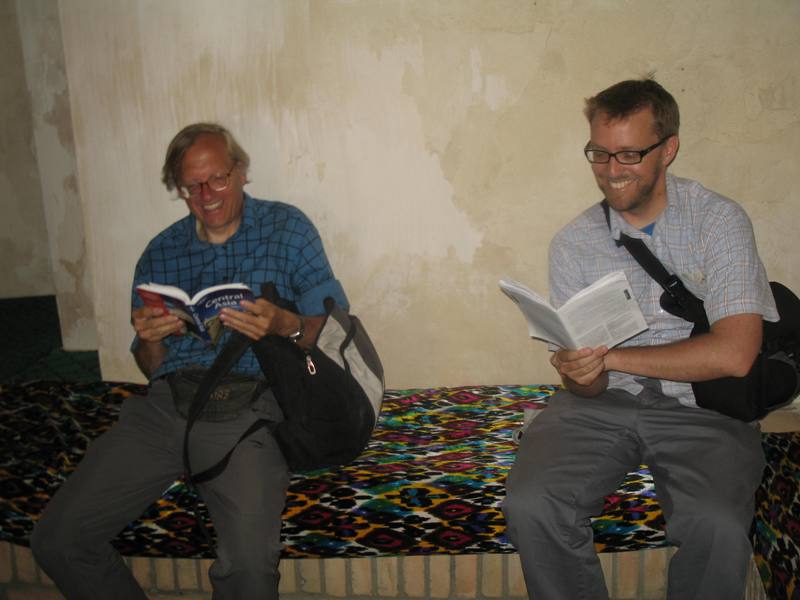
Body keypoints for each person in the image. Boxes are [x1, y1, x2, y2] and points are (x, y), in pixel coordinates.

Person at [31, 122, 348, 599]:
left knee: (248, 572)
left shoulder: (288, 230)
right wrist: (149, 338)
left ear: (240, 172)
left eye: (217, 179)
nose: (206, 195)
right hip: (165, 407)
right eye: (190, 186)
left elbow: (336, 327)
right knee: (57, 539)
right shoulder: (160, 252)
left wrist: (283, 324)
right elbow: (151, 364)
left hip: (250, 406)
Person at [502, 78, 778, 600]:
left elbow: (737, 354)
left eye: (629, 154)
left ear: (668, 148)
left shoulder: (719, 222)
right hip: (602, 403)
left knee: (717, 525)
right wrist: (580, 373)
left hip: (704, 406)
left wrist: (613, 356)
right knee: (532, 503)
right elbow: (584, 385)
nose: (611, 170)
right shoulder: (573, 243)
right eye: (599, 153)